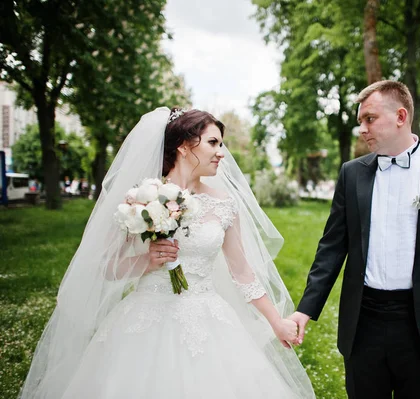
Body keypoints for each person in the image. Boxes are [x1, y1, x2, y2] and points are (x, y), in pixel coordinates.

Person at [20, 107, 315, 399]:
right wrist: (145, 262)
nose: (221, 153)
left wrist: (276, 322)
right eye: (213, 143)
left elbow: (242, 272)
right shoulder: (140, 198)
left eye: (221, 144)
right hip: (145, 317)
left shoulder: (224, 204)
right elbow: (107, 268)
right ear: (185, 146)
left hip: (207, 317)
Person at [288, 80, 420, 398]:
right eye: (360, 120)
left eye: (370, 119)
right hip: (364, 322)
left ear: (401, 116)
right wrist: (305, 310)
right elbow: (332, 247)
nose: (362, 128)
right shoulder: (352, 173)